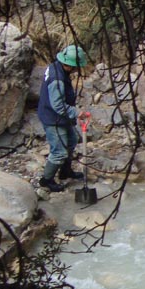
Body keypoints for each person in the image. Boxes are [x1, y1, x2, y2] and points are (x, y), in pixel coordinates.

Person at [37, 44, 88, 193]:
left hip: (60, 117)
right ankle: (46, 180)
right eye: (76, 67)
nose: (77, 70)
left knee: (71, 141)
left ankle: (65, 172)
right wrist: (76, 113)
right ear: (69, 65)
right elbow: (58, 105)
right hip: (53, 118)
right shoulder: (57, 78)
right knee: (59, 151)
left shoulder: (56, 66)